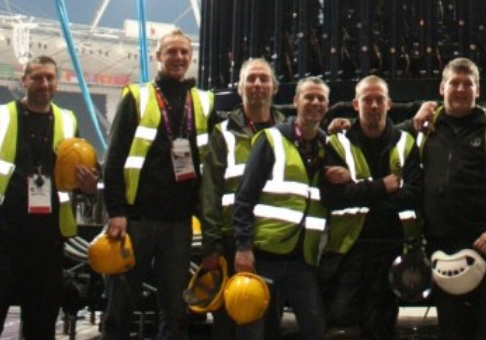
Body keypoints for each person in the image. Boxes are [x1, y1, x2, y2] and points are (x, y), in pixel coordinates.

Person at [0, 55, 96, 340]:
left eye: (50, 78)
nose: (44, 83)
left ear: (57, 82)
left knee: (41, 330)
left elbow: (74, 181)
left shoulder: (68, 121)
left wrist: (88, 186)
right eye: (37, 77)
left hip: (48, 245)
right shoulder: (1, 117)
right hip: (2, 243)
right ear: (24, 81)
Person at [101, 29, 215, 340]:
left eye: (184, 52)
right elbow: (113, 160)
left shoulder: (203, 102)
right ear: (158, 57)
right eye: (171, 52)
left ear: (190, 57)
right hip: (135, 221)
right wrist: (116, 211)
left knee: (175, 312)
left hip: (179, 224)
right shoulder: (137, 97)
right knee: (120, 307)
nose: (178, 57)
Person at [418, 56, 486, 340]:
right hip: (444, 245)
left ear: (478, 90)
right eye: (454, 83)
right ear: (441, 88)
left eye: (468, 84)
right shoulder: (426, 128)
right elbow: (381, 123)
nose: (461, 89)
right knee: (453, 325)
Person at [320, 75, 423, 339]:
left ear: (389, 104)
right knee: (342, 324)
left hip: (391, 249)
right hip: (348, 252)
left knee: (381, 327)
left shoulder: (405, 143)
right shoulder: (337, 143)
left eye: (379, 100)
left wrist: (360, 192)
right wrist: (381, 187)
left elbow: (412, 194)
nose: (374, 106)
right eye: (367, 100)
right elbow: (334, 197)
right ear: (356, 104)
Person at [232, 76, 335, 340]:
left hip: (302, 260)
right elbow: (244, 198)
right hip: (264, 256)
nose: (314, 103)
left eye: (320, 98)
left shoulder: (327, 146)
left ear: (327, 105)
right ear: (295, 101)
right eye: (308, 97)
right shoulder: (271, 140)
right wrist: (243, 247)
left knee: (315, 328)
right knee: (256, 331)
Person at [199, 57, 284, 340]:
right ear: (239, 88)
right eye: (251, 79)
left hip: (273, 243)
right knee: (230, 325)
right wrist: (211, 245)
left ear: (274, 87)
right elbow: (209, 191)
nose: (257, 85)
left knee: (269, 324)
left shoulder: (288, 132)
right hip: (231, 242)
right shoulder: (222, 134)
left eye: (263, 79)